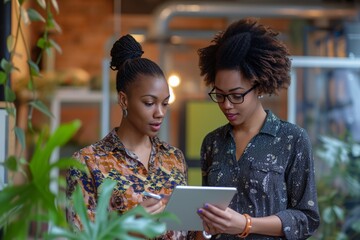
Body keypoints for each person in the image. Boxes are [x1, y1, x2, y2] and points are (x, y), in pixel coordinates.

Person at [196, 18, 320, 239]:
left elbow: (306, 219)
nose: (226, 104)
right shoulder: (212, 142)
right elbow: (206, 217)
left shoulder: (292, 139)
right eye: (220, 95)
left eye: (236, 95)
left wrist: (245, 224)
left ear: (259, 86)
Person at [66, 34, 191, 240]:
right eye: (149, 103)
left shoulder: (174, 159)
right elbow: (78, 236)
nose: (159, 112)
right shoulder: (87, 162)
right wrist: (126, 226)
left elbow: (187, 233)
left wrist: (206, 230)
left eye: (165, 103)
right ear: (124, 100)